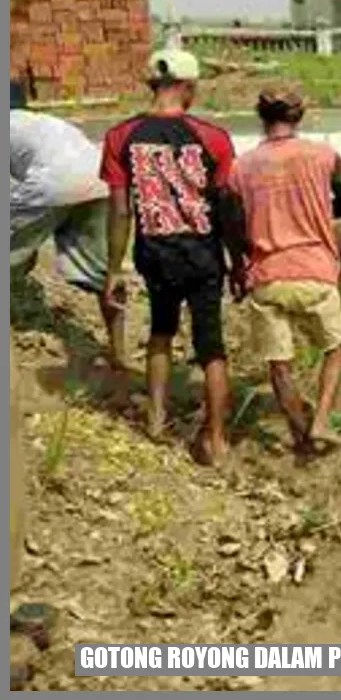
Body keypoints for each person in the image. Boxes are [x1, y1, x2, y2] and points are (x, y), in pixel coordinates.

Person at [99, 48, 236, 465]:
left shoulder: (120, 136)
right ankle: (215, 440)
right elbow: (227, 207)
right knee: (211, 346)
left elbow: (121, 209)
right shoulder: (213, 138)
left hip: (154, 251)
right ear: (189, 88)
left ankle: (156, 421)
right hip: (202, 253)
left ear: (152, 85)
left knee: (161, 332)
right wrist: (239, 261)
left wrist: (113, 268)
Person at [224, 89, 341, 455]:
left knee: (279, 364)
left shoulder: (241, 167)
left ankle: (301, 436)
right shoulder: (323, 157)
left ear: (261, 116)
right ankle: (319, 423)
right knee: (337, 346)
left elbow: (233, 226)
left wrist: (237, 269)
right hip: (315, 271)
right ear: (299, 116)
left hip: (266, 275)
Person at [10, 81, 124, 373]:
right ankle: (119, 353)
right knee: (103, 274)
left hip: (55, 182)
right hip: (100, 181)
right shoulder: (46, 123)